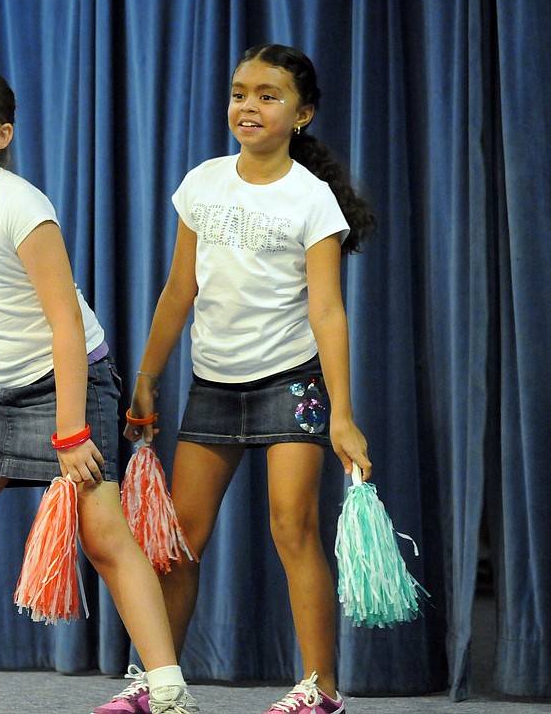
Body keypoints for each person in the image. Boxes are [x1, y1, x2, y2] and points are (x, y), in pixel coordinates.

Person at [0, 62, 198, 714]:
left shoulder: (21, 206)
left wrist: (73, 430)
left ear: (1, 134)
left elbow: (66, 328)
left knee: (103, 530)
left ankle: (168, 691)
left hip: (71, 383)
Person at [114, 44, 376, 714]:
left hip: (290, 384)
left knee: (293, 529)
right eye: (239, 92)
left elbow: (327, 311)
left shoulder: (311, 199)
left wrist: (341, 414)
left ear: (302, 114)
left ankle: (320, 690)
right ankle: (159, 683)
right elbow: (179, 288)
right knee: (179, 541)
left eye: (268, 95)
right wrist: (147, 377)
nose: (248, 106)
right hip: (213, 383)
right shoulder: (203, 182)